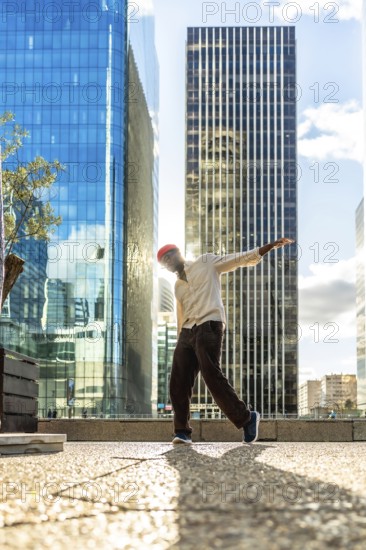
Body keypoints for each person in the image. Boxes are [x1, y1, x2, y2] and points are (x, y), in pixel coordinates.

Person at [157, 237, 294, 445]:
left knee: (211, 374)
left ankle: (247, 419)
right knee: (177, 381)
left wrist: (268, 247)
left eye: (169, 256)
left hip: (209, 325)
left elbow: (237, 259)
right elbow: (180, 313)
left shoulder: (206, 262)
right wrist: (180, 341)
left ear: (179, 253)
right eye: (163, 261)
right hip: (186, 332)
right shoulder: (177, 286)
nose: (168, 261)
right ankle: (182, 432)